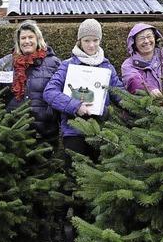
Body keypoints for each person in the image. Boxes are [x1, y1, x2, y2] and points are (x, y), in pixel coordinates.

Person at [44, 18, 125, 161]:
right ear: (79, 41)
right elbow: (49, 92)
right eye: (87, 40)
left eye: (95, 40)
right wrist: (75, 106)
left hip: (101, 131)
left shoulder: (107, 67)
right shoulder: (67, 66)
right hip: (73, 131)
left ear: (100, 40)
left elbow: (120, 94)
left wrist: (142, 104)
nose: (91, 45)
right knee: (74, 174)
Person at [0, 19, 61, 142]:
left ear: (38, 39)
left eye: (30, 37)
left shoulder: (53, 62)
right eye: (23, 38)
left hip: (45, 130)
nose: (27, 41)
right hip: (14, 129)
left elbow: (60, 92)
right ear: (18, 41)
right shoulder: (6, 63)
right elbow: (0, 89)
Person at [121, 23, 163, 97]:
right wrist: (149, 89)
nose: (146, 41)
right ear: (134, 43)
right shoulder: (129, 65)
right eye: (141, 38)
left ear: (155, 38)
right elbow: (133, 81)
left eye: (149, 36)